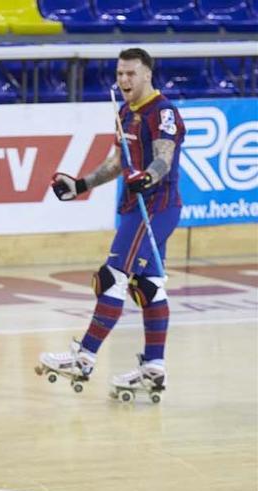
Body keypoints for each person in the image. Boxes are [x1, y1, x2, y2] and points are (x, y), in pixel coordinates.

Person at [39, 47, 185, 398]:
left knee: (111, 276)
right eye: (120, 74)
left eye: (131, 74)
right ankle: (154, 367)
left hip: (156, 206)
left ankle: (84, 357)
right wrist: (81, 185)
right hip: (136, 208)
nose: (124, 80)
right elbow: (120, 160)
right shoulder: (124, 111)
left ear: (147, 74)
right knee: (148, 286)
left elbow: (164, 157)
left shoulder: (161, 112)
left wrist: (148, 178)